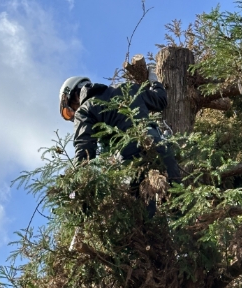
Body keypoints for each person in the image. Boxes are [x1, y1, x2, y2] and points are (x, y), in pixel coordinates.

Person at [59, 66, 181, 217]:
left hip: (131, 160)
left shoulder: (85, 110)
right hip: (159, 146)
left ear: (75, 94)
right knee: (179, 205)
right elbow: (160, 100)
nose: (74, 113)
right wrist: (154, 81)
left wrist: (78, 186)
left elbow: (84, 150)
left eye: (72, 108)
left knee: (146, 223)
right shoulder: (127, 88)